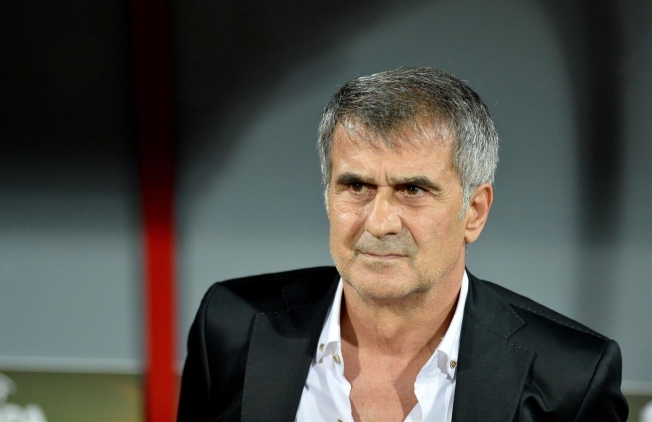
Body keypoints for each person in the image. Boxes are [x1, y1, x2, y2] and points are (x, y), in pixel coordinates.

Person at [177, 67, 628, 421]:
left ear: (474, 211)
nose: (379, 222)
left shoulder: (570, 378)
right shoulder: (232, 324)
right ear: (327, 195)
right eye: (356, 186)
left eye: (412, 189)